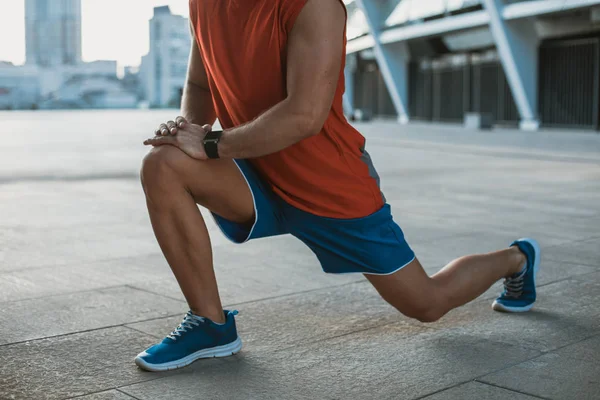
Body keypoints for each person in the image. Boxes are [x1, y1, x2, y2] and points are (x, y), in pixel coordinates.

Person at [134, 0, 541, 372]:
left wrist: (209, 144)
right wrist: (189, 131)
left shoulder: (315, 6)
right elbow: (201, 84)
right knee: (163, 164)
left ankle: (514, 259)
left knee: (427, 304)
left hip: (328, 185)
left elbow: (304, 116)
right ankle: (211, 324)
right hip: (252, 173)